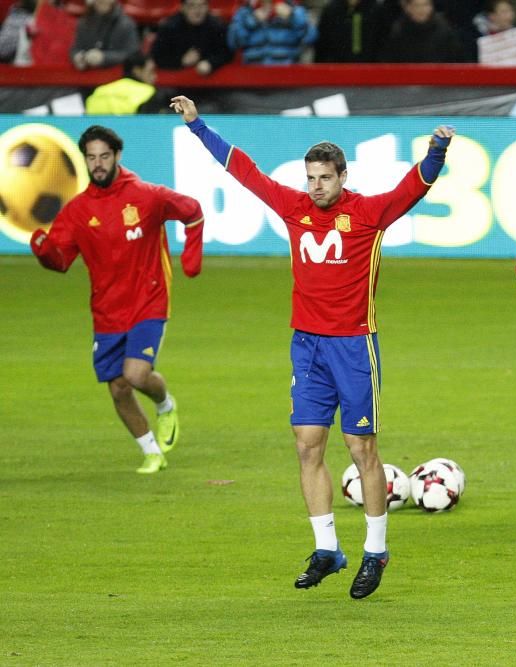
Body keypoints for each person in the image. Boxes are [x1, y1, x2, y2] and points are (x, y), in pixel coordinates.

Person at [169, 94, 454, 599]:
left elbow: (415, 186)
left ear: (342, 177)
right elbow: (244, 170)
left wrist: (436, 149)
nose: (315, 186)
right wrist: (198, 126)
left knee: (362, 449)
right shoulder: (294, 207)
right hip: (308, 346)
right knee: (306, 446)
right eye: (310, 177)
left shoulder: (368, 213)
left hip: (353, 346)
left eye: (324, 177)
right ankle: (328, 549)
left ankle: (375, 551)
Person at [30, 125, 204, 474]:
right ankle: (152, 452)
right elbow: (62, 261)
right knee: (119, 389)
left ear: (117, 156)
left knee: (136, 375)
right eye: (91, 157)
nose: (98, 164)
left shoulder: (147, 196)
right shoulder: (78, 211)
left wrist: (191, 259)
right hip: (107, 311)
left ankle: (165, 404)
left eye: (104, 156)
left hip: (148, 301)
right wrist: (44, 252)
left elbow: (193, 211)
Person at [151, 0, 233, 76]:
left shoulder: (217, 26)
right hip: (176, 78)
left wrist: (211, 63)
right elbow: (157, 57)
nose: (197, 11)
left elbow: (227, 53)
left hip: (211, 79)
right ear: (182, 8)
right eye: (191, 5)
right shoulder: (168, 28)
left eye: (202, 5)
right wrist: (181, 61)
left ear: (208, 7)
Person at [227, 0, 316, 65]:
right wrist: (252, 20)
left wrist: (292, 16)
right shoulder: (245, 11)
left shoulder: (295, 10)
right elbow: (234, 43)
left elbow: (310, 39)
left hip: (287, 76)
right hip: (252, 76)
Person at [378, 0, 465, 63]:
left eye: (426, 5)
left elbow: (457, 60)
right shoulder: (398, 31)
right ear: (408, 8)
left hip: (439, 84)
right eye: (417, 6)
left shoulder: (445, 31)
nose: (421, 10)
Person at [85, 52, 171, 114]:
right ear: (137, 71)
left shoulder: (100, 90)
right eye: (151, 71)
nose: (155, 76)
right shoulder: (148, 92)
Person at [70, 0, 140, 71]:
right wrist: (77, 57)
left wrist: (104, 57)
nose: (101, 1)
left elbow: (132, 55)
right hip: (89, 75)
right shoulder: (84, 22)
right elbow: (76, 48)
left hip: (117, 75)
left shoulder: (126, 24)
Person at [314, 0, 384, 63]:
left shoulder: (376, 10)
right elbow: (322, 47)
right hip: (336, 69)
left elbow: (382, 43)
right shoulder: (332, 10)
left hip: (371, 69)